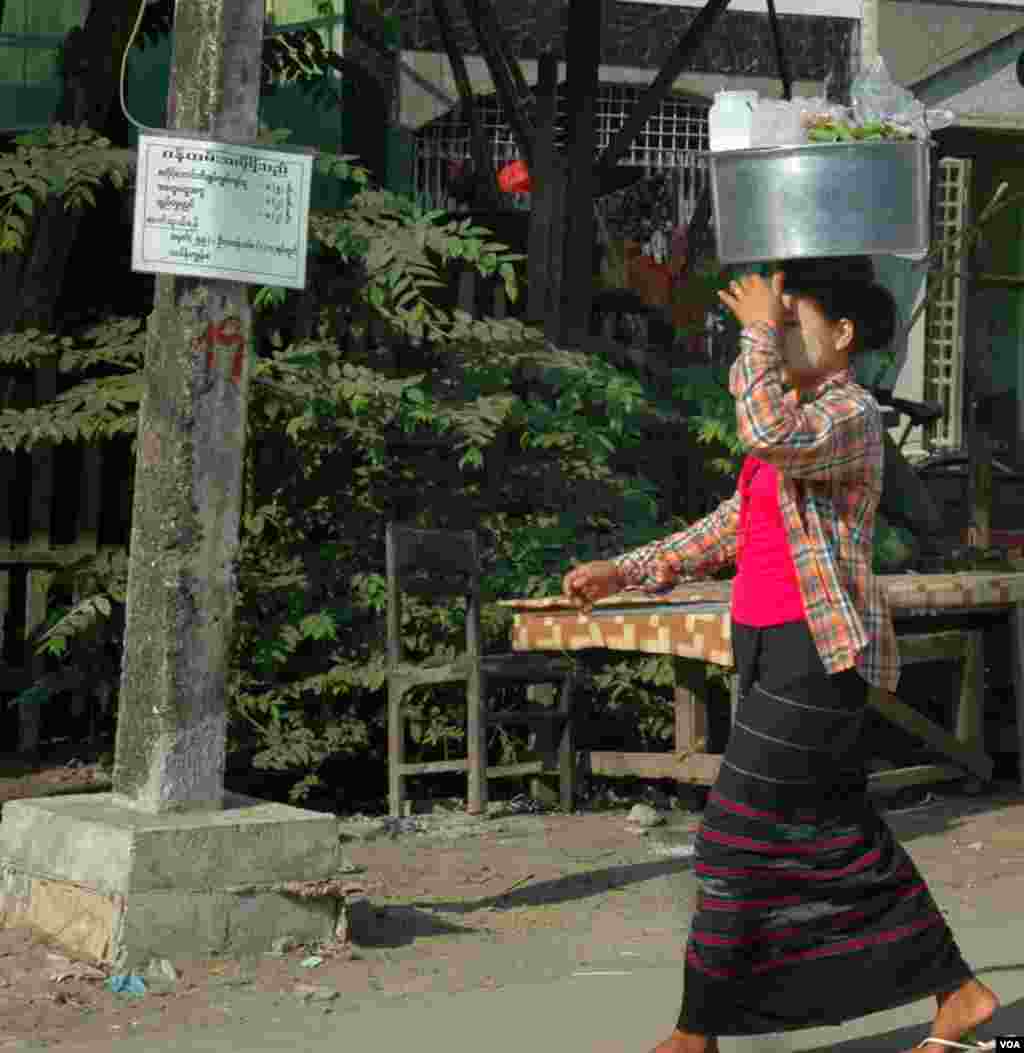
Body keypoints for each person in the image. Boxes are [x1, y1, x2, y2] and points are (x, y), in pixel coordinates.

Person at [562, 258, 999, 1053]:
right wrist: (623, 569)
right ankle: (960, 993)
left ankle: (695, 1035)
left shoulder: (850, 416)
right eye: (777, 322)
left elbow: (763, 426)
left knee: (730, 837)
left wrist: (761, 329)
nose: (777, 334)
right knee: (836, 833)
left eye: (795, 321)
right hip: (766, 646)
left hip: (815, 652)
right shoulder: (793, 418)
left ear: (842, 336)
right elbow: (731, 525)